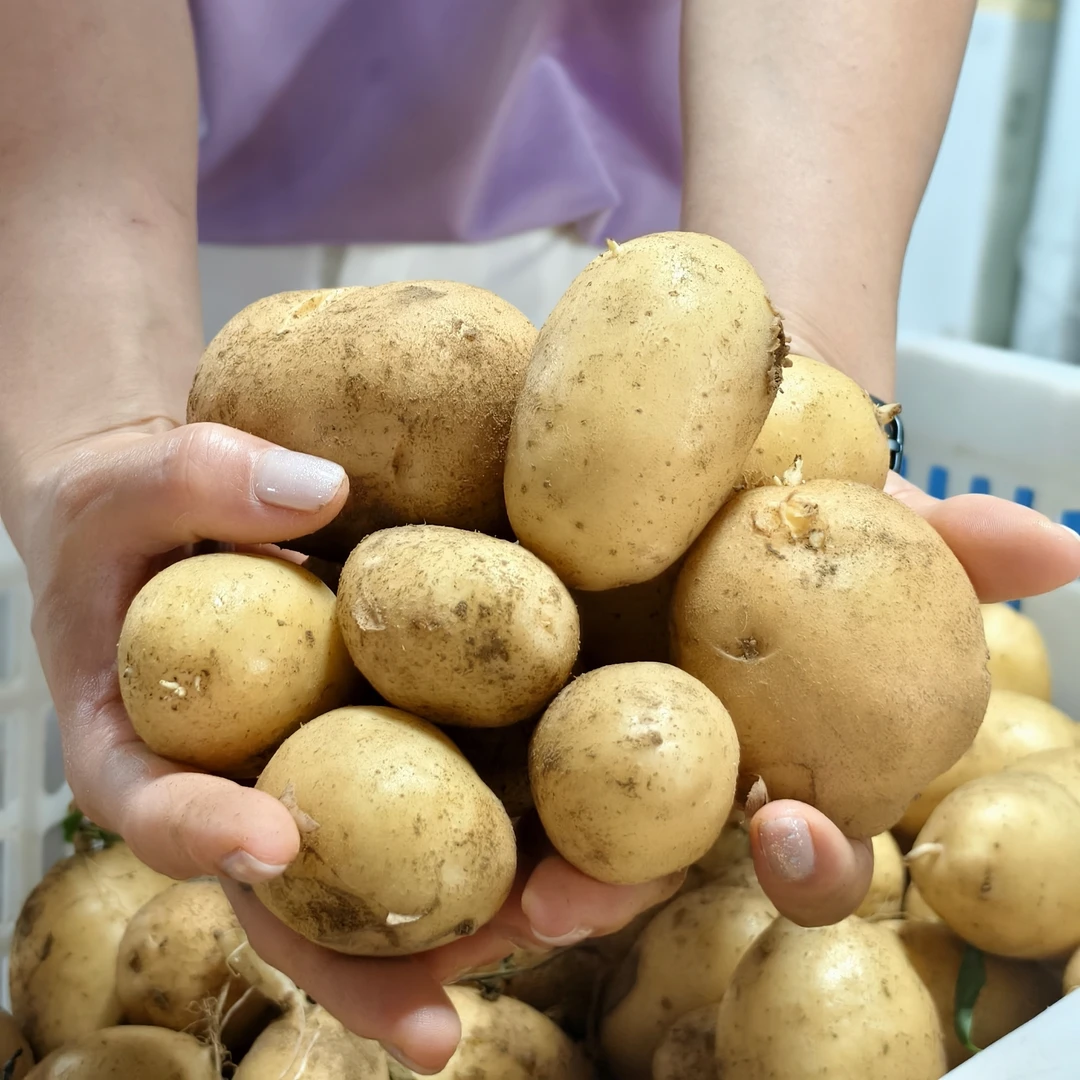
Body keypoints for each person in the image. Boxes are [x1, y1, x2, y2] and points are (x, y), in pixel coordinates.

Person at [2, 1, 1078, 1072]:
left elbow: (695, 335)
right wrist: (97, 424)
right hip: (124, 194)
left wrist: (802, 375)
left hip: (627, 184)